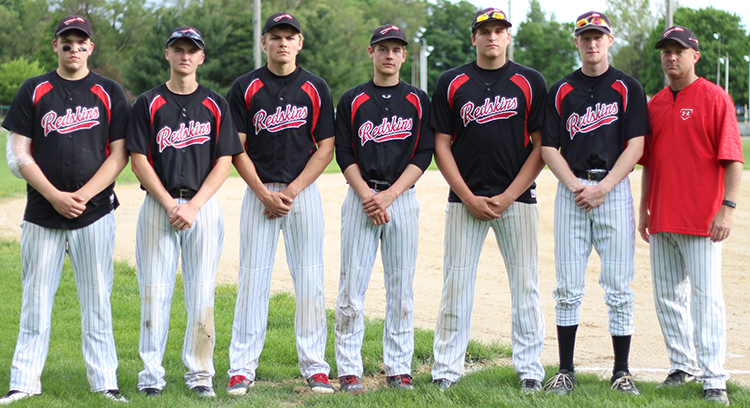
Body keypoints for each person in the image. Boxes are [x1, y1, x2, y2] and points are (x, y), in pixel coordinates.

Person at [0, 15, 129, 404]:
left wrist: (84, 195)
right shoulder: (34, 89)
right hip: (42, 211)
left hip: (95, 212)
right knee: (35, 298)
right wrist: (54, 194)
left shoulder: (109, 91)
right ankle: (24, 382)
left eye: (81, 42)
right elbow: (17, 152)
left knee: (97, 298)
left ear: (91, 47)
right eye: (66, 41)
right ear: (55, 45)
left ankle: (104, 381)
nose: (74, 48)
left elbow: (119, 154)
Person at [430, 8, 547, 393]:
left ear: (508, 37)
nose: (492, 37)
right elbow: (441, 144)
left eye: (499, 30)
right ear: (474, 38)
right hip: (464, 201)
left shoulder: (530, 81)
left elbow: (540, 146)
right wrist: (466, 195)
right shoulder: (452, 81)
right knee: (456, 284)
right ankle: (446, 369)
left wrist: (510, 194)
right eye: (485, 31)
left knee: (525, 285)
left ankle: (530, 368)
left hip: (518, 201)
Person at [126, 26, 243, 398]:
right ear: (168, 54)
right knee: (153, 291)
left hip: (202, 207)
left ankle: (200, 374)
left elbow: (225, 160)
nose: (185, 56)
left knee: (201, 290)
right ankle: (151, 376)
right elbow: (138, 159)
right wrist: (168, 203)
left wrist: (192, 206)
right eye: (178, 49)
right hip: (158, 206)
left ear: (201, 57)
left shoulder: (215, 103)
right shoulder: (148, 102)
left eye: (192, 50)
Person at [225, 12, 336, 395]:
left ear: (300, 43)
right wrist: (262, 192)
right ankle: (241, 368)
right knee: (252, 278)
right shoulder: (246, 86)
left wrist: (292, 191)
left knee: (309, 279)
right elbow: (235, 146)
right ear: (265, 42)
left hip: (302, 194)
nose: (283, 43)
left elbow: (325, 148)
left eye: (290, 37)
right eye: (276, 36)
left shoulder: (316, 86)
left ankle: (315, 367)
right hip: (259, 193)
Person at [541, 11, 648, 396]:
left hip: (613, 190)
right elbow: (548, 146)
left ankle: (621, 371)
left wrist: (603, 187)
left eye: (598, 35)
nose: (592, 42)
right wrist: (574, 185)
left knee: (619, 286)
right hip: (572, 192)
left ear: (609, 39)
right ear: (576, 42)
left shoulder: (627, 87)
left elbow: (636, 144)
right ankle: (566, 370)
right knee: (567, 287)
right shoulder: (560, 90)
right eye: (585, 37)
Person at [639, 26, 743, 406]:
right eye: (666, 51)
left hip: (702, 219)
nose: (671, 57)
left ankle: (714, 377)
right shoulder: (655, 103)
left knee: (706, 298)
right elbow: (649, 163)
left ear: (694, 55)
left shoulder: (715, 98)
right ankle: (681, 366)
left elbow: (733, 161)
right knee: (667, 296)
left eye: (679, 50)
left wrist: (727, 210)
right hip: (663, 215)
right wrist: (644, 208)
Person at [333, 24, 434, 394]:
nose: (389, 55)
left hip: (401, 200)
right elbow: (343, 151)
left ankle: (398, 368)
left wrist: (389, 195)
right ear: (371, 53)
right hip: (361, 198)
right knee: (351, 289)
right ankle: (348, 369)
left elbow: (425, 152)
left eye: (396, 49)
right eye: (382, 48)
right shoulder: (353, 99)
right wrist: (367, 196)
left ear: (404, 55)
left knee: (401, 289)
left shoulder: (419, 100)